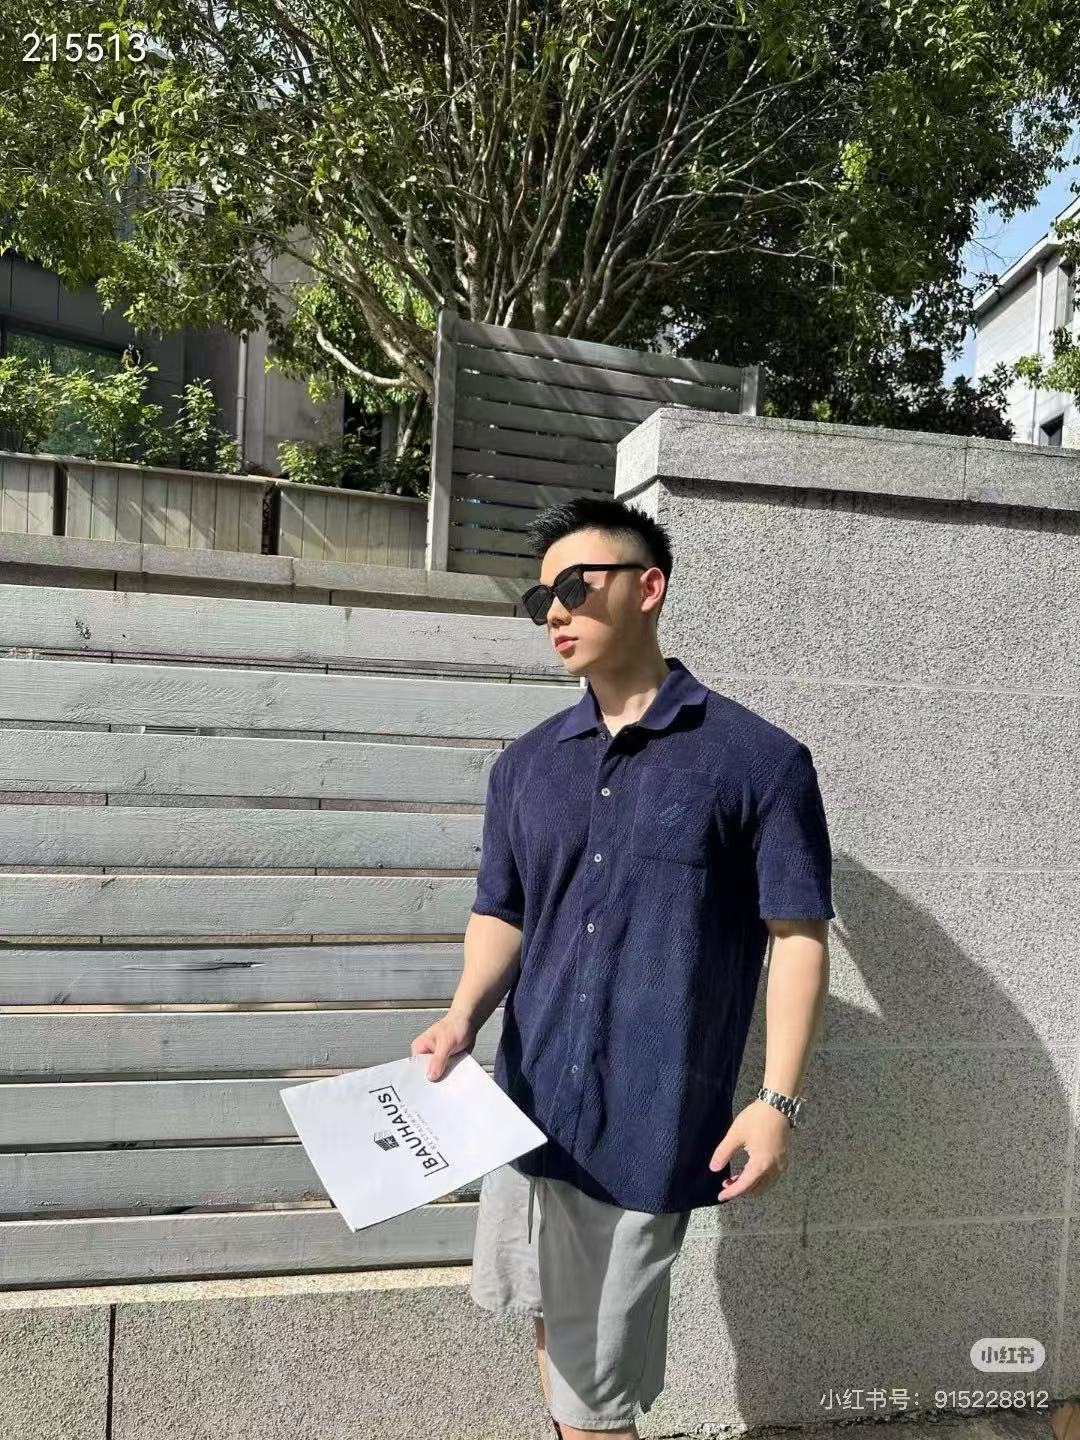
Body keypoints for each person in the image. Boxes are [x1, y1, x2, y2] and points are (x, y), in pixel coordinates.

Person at [411, 494, 834, 1440]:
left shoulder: (758, 762)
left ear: (649, 588)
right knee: (554, 1339)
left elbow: (799, 937)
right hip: (524, 1109)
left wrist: (777, 1102)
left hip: (643, 1125)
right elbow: (502, 911)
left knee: (596, 1398)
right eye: (540, 599)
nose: (554, 612)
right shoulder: (525, 765)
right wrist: (463, 1015)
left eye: (574, 586)